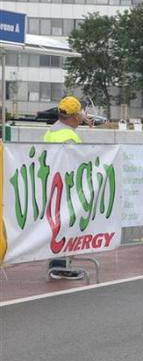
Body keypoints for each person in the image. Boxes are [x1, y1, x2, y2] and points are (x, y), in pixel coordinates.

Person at [43, 96, 84, 279]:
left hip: (53, 185)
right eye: (80, 113)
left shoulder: (52, 130)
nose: (81, 116)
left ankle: (57, 264)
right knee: (66, 225)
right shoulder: (69, 136)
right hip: (67, 186)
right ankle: (61, 266)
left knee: (56, 225)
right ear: (74, 116)